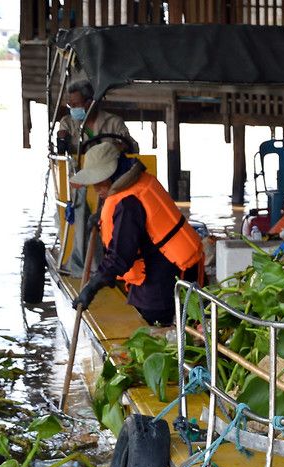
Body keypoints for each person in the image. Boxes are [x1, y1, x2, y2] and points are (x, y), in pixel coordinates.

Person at [70, 141, 204, 327]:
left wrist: (91, 288)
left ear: (112, 174)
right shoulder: (139, 181)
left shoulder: (127, 203)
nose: (96, 189)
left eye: (99, 182)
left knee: (155, 328)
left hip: (167, 274)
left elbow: (120, 259)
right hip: (177, 264)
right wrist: (101, 218)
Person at [56, 80, 135, 276]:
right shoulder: (68, 123)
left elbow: (132, 146)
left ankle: (118, 259)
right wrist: (62, 139)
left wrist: (118, 147)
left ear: (90, 102)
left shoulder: (113, 122)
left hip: (111, 178)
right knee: (81, 205)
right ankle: (85, 264)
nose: (73, 108)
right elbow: (64, 153)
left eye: (76, 104)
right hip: (82, 177)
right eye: (70, 105)